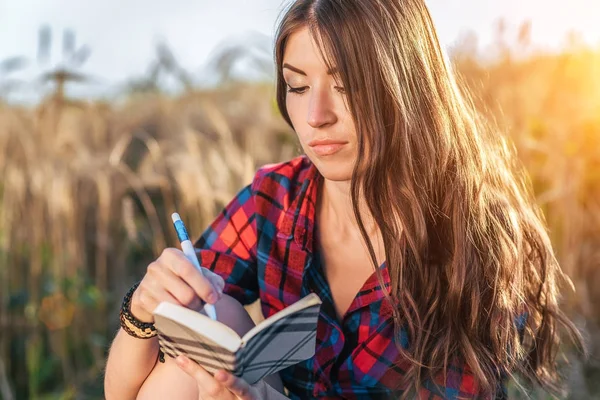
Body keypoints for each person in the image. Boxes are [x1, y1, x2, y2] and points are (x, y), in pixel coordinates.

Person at [104, 0, 584, 399]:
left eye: (347, 85)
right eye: (297, 85)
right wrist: (142, 311)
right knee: (196, 328)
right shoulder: (274, 199)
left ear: (407, 87)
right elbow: (124, 394)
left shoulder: (475, 240)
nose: (315, 116)